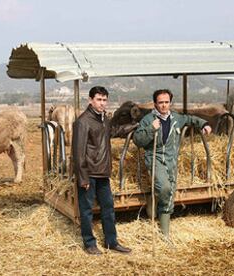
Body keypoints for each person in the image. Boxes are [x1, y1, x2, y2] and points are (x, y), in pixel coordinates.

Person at [133, 89, 212, 240]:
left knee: (170, 192)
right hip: (155, 157)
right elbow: (138, 140)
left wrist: (204, 124)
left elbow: (190, 119)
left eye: (166, 102)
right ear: (155, 103)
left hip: (171, 159)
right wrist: (151, 129)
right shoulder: (148, 119)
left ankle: (165, 234)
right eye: (160, 102)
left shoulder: (176, 118)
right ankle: (154, 198)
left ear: (170, 102)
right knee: (165, 187)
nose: (163, 105)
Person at [72, 86, 131, 255]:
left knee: (108, 209)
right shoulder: (82, 122)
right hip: (89, 173)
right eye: (99, 99)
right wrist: (82, 178)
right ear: (90, 100)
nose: (102, 103)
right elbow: (78, 152)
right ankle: (89, 243)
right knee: (87, 210)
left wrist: (134, 126)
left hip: (103, 172)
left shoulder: (104, 119)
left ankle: (111, 242)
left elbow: (114, 131)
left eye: (104, 100)